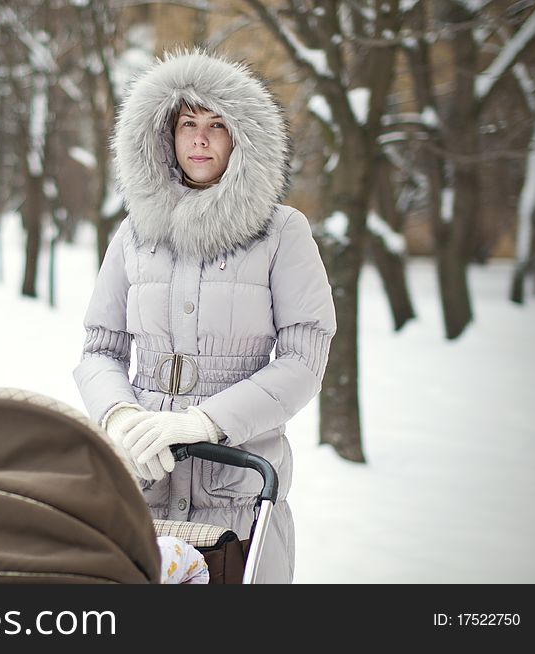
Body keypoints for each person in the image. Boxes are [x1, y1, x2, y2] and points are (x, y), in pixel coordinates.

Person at [73, 49, 337, 584]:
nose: (200, 139)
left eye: (217, 125)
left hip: (237, 497)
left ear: (241, 138)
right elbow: (101, 347)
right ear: (164, 135)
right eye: (188, 123)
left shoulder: (282, 232)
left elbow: (304, 359)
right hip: (142, 486)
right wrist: (120, 416)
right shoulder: (134, 233)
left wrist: (207, 422)